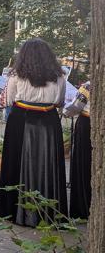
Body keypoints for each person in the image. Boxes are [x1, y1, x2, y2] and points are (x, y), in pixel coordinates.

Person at [0, 38, 67, 227]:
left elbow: (9, 100)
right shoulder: (59, 76)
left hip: (21, 119)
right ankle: (49, 212)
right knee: (48, 163)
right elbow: (60, 101)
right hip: (49, 121)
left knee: (16, 162)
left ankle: (14, 211)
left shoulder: (16, 75)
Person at [63, 81, 91, 220]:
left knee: (83, 163)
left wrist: (64, 111)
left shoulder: (89, 85)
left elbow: (75, 106)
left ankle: (83, 207)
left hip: (87, 125)